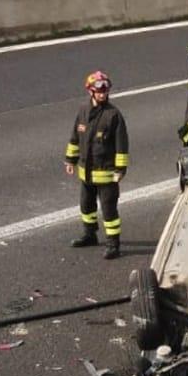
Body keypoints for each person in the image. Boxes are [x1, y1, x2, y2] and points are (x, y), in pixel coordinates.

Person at [64, 70, 129, 258]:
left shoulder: (113, 115)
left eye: (105, 91)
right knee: (86, 206)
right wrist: (70, 160)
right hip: (86, 173)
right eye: (99, 91)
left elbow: (122, 144)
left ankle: (113, 244)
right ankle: (89, 234)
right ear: (90, 91)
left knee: (109, 210)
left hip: (106, 174)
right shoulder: (82, 111)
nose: (103, 94)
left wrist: (120, 169)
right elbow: (75, 138)